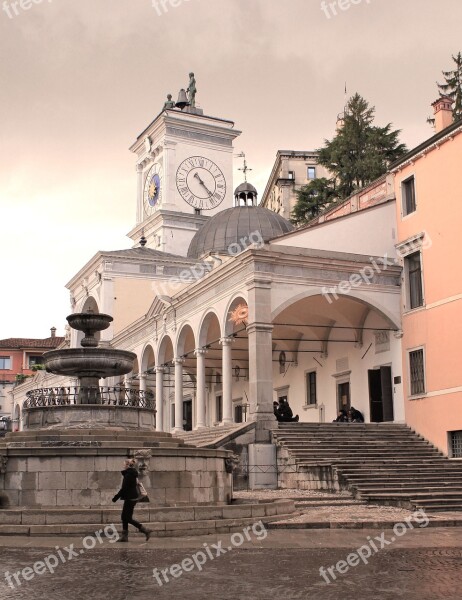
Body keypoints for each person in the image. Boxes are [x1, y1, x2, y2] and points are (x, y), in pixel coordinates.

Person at [112, 458, 152, 543]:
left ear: (127, 465)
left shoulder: (129, 475)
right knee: (124, 517)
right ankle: (124, 536)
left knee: (127, 518)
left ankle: (145, 530)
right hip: (131, 497)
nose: (123, 466)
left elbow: (124, 488)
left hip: (130, 498)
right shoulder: (131, 473)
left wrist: (115, 497)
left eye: (124, 464)